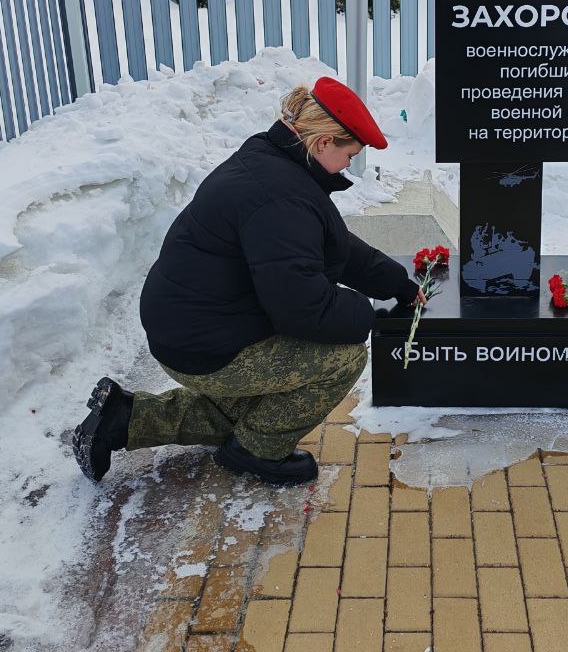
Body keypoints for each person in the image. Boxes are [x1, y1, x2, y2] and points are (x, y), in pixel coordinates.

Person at [72, 77, 424, 486]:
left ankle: (125, 419)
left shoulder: (272, 159)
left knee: (263, 394)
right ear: (324, 143)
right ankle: (256, 451)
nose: (350, 165)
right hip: (204, 344)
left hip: (190, 328)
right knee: (342, 357)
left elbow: (331, 245)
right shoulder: (282, 197)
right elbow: (303, 311)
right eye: (351, 154)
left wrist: (395, 283)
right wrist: (369, 314)